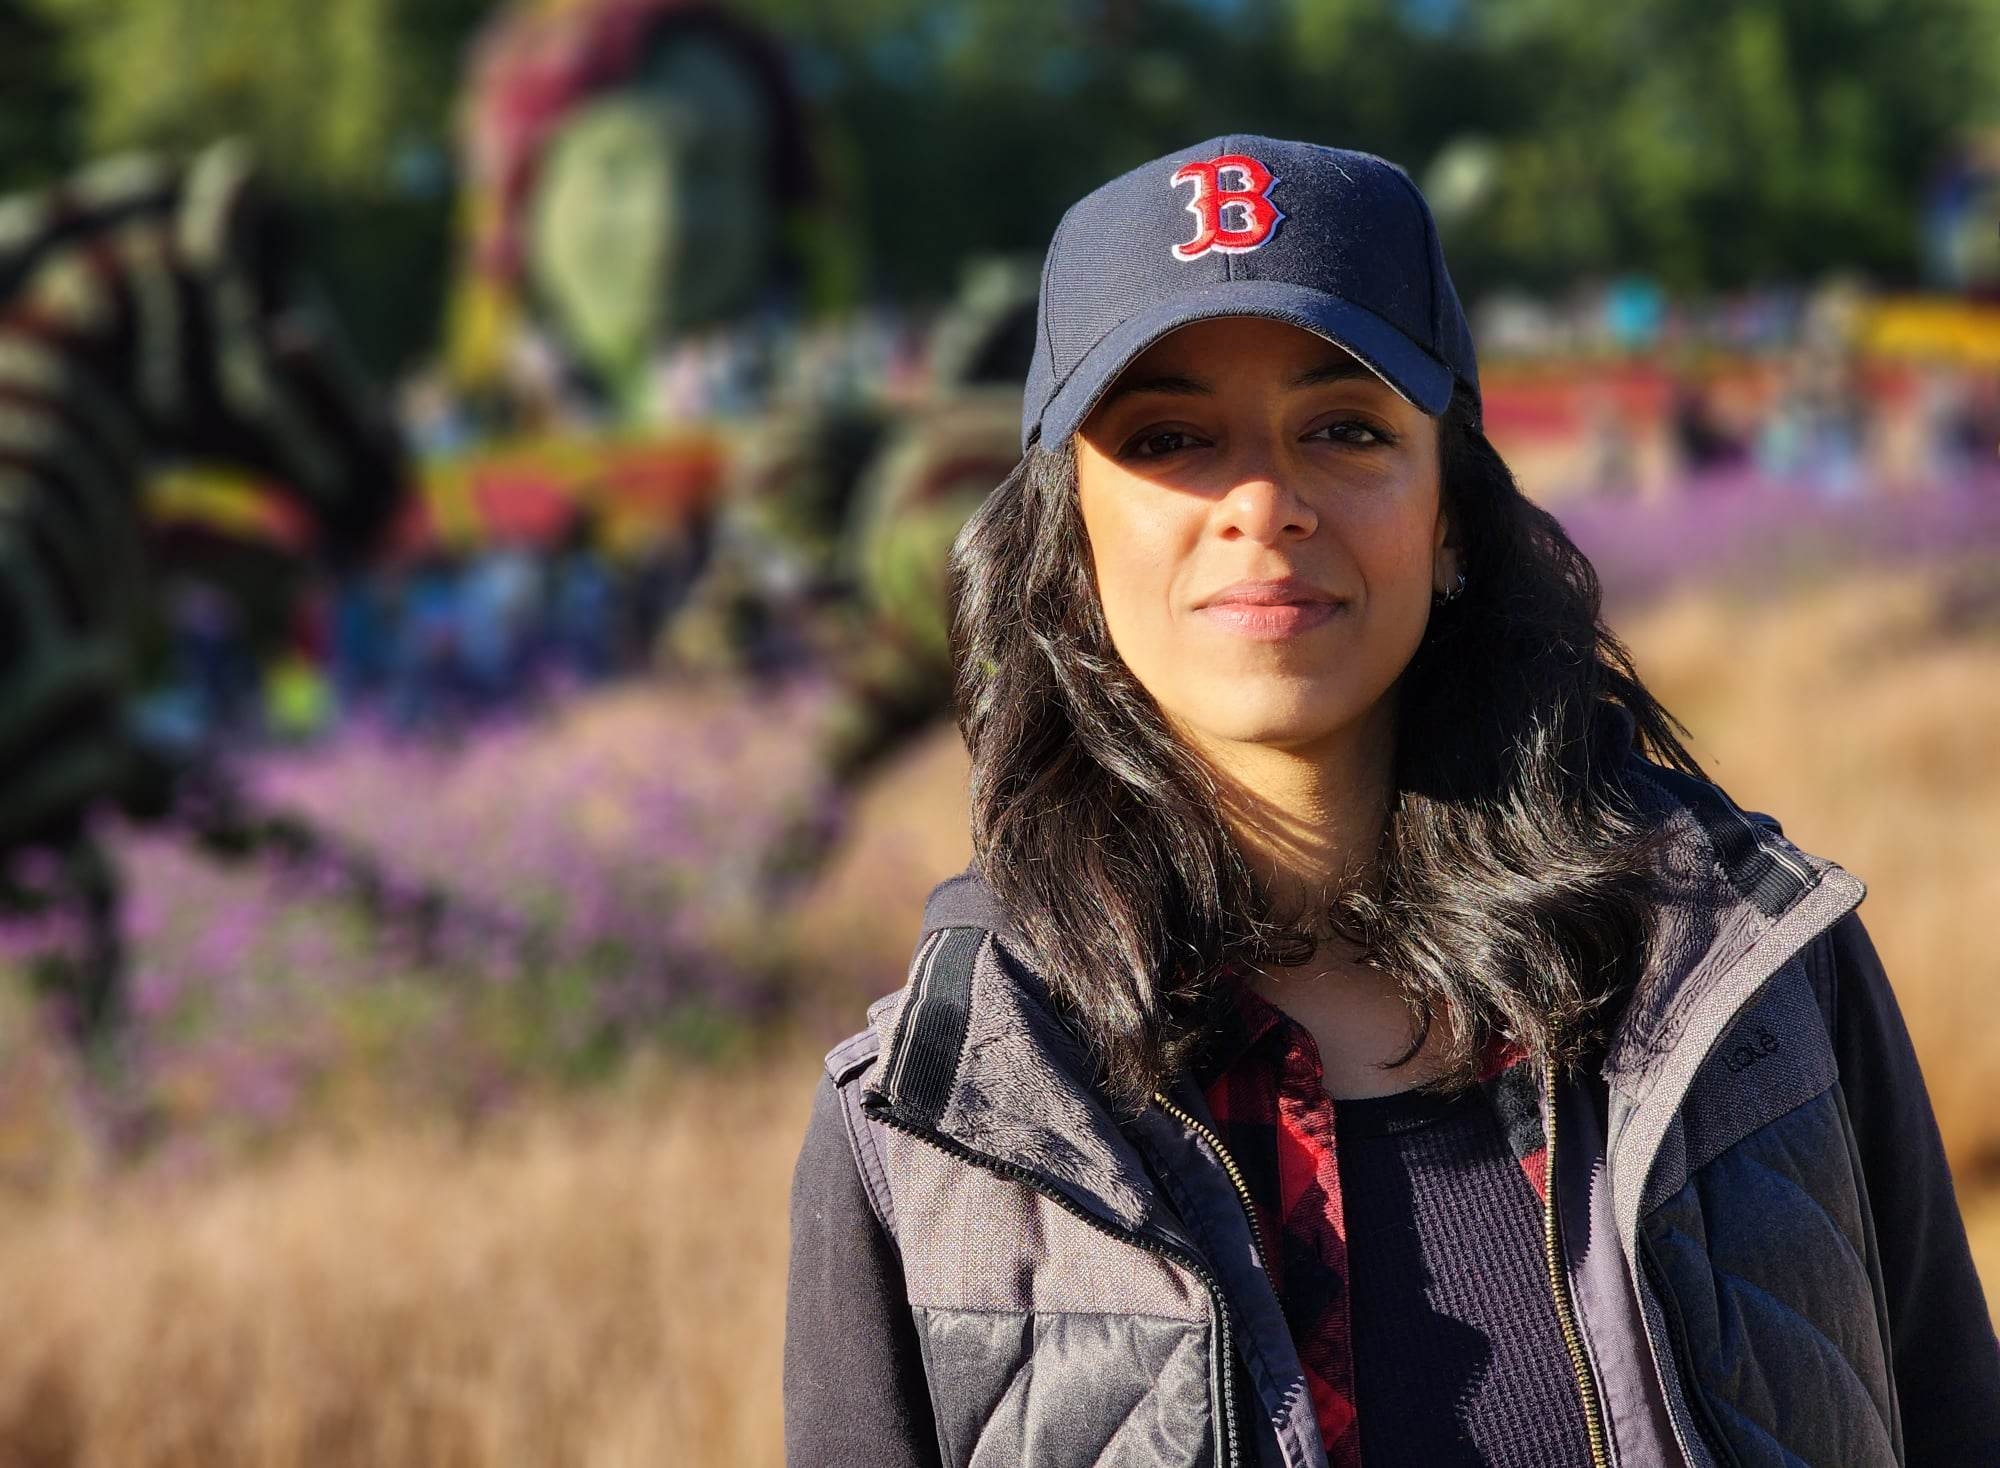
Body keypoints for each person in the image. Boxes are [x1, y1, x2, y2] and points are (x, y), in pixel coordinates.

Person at [782, 136, 2000, 1468]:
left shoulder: (1755, 982)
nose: (1262, 505)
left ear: (1451, 516)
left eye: (1346, 430)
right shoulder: (937, 1122)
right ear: (1068, 538)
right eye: (1170, 439)